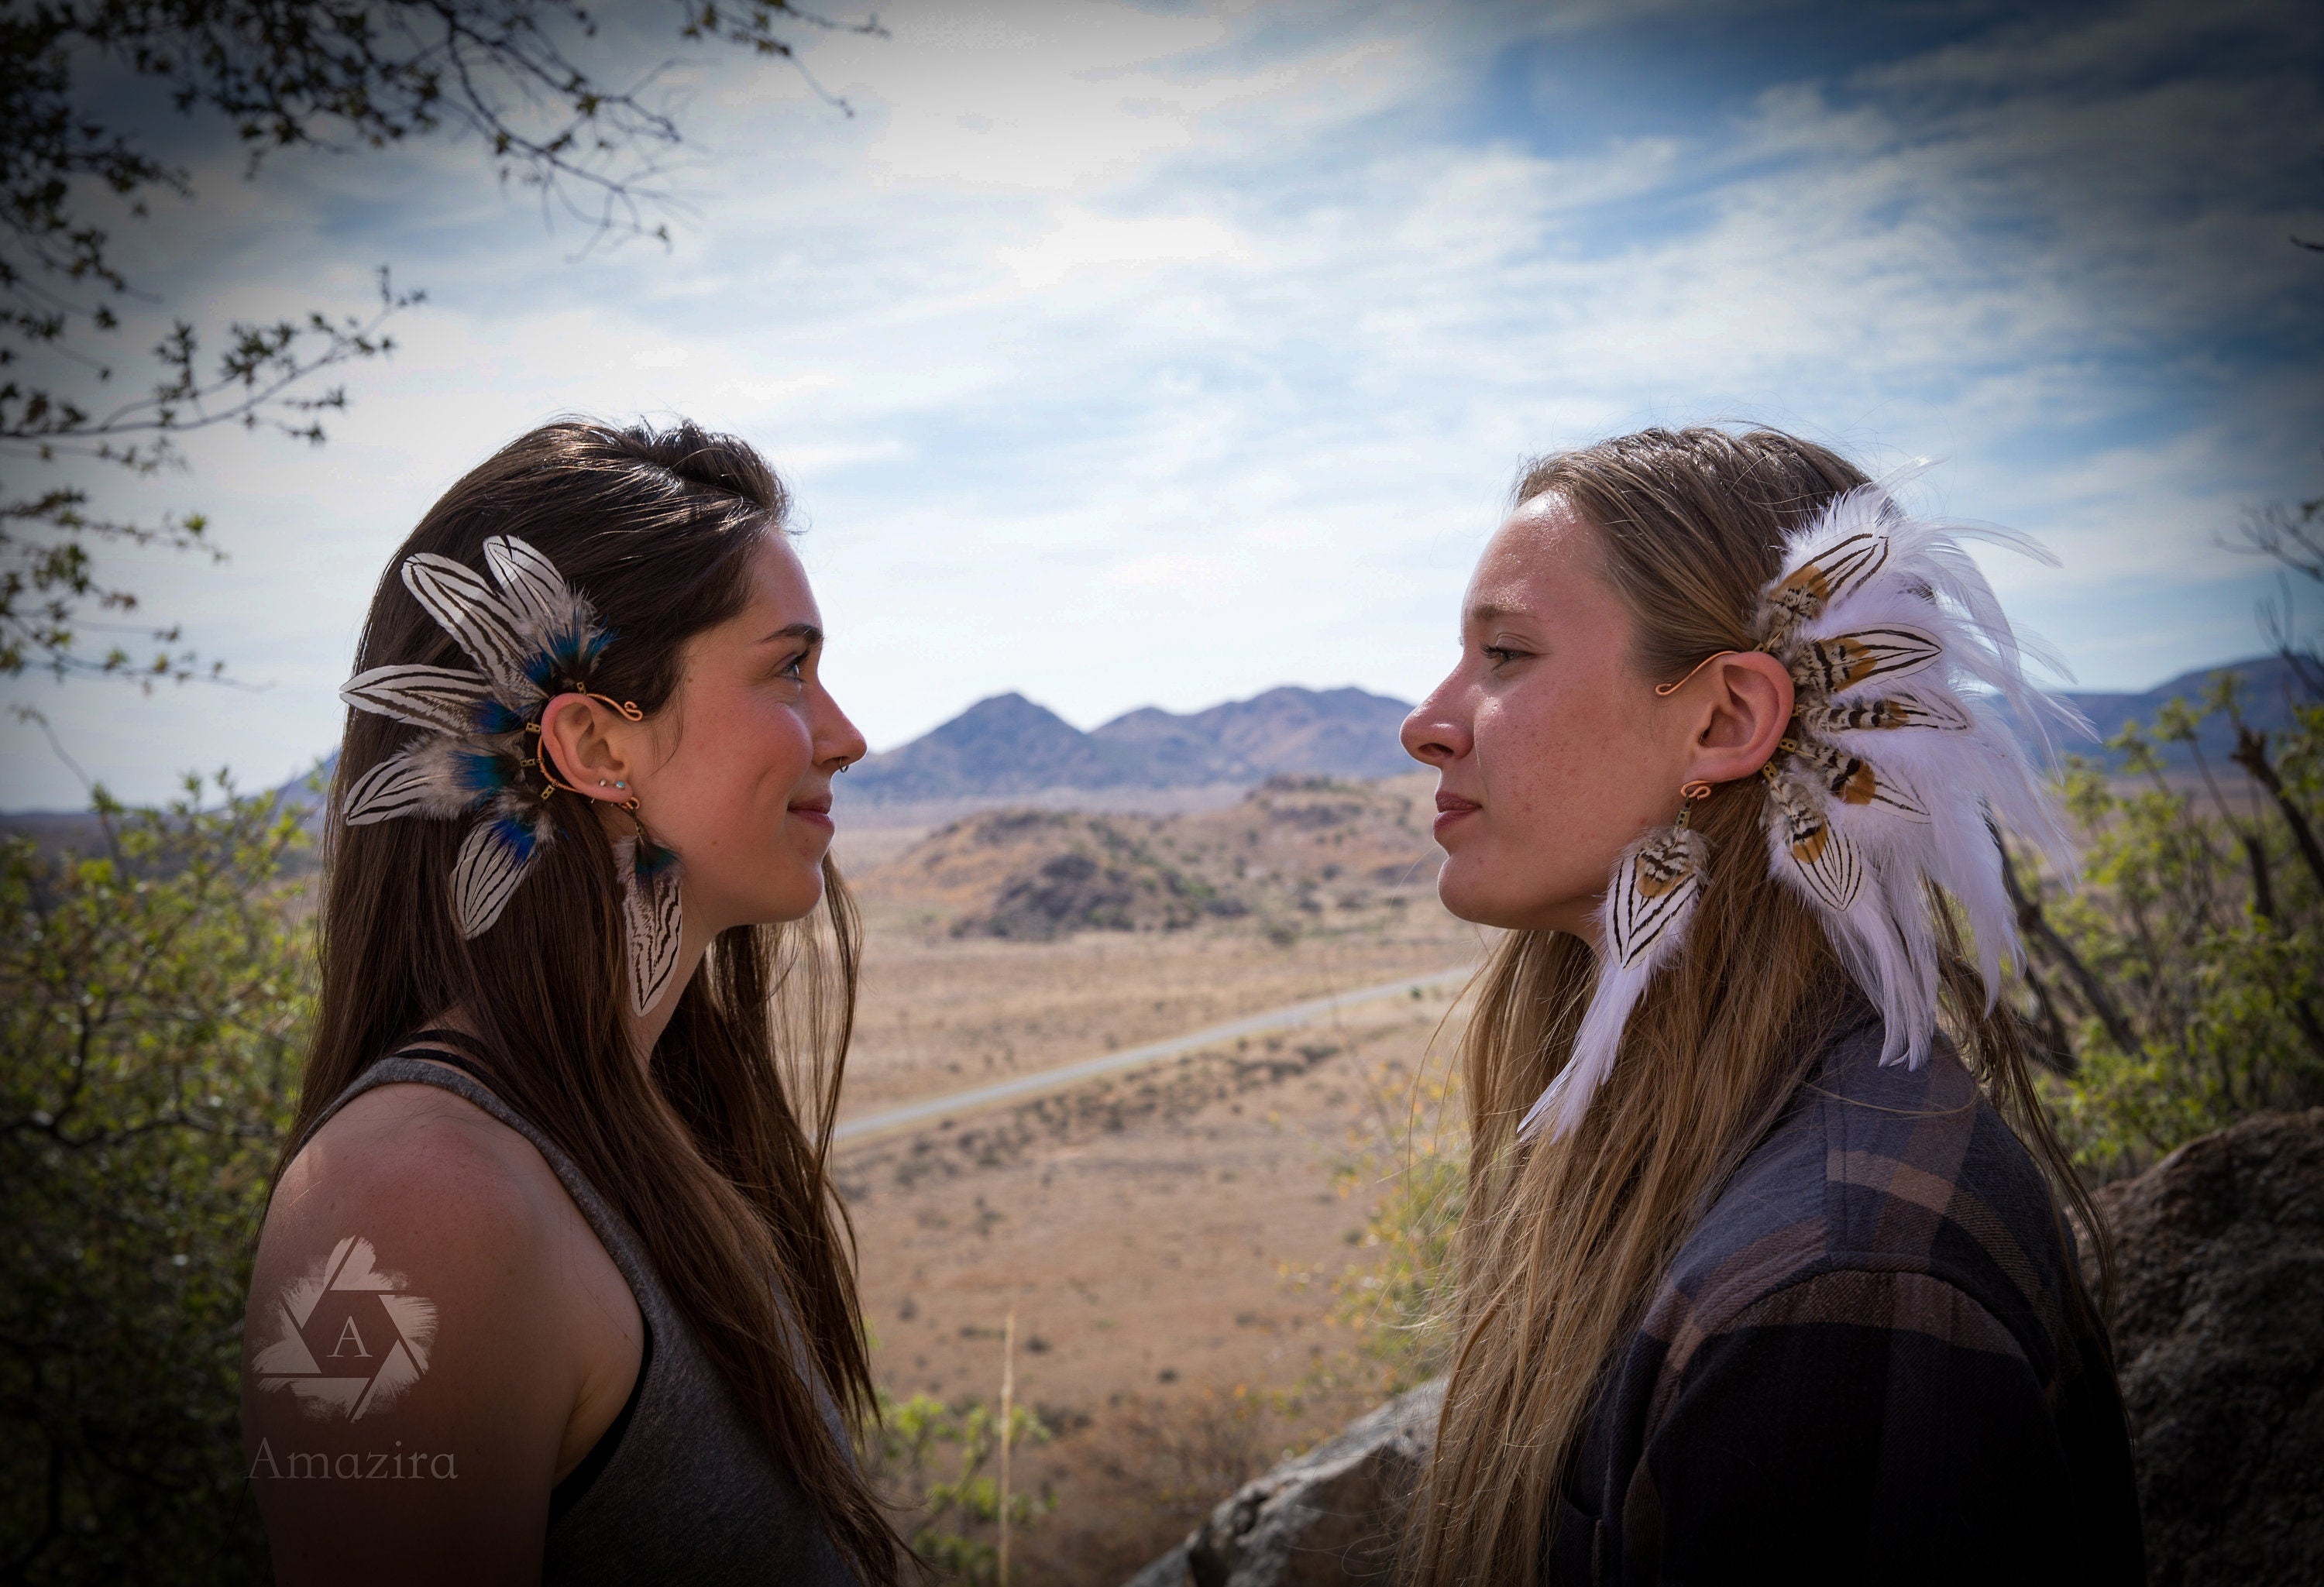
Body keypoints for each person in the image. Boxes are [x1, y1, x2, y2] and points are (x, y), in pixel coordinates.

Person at [1397, 427, 2144, 1583]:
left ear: (1728, 720)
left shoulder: (1840, 1289)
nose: (1428, 721)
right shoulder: (1706, 1166)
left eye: (1504, 654)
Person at [241, 419, 901, 1585]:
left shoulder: (654, 1131)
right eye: (788, 667)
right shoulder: (410, 1209)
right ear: (597, 742)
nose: (845, 736)